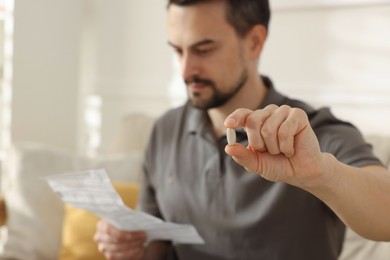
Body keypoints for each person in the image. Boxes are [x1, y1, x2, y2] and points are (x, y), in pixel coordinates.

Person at [93, 0, 390, 259]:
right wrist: (132, 248)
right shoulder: (165, 130)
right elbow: (157, 245)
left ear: (255, 42)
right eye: (178, 51)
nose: (186, 70)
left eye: (204, 49)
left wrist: (321, 173)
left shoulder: (313, 132)